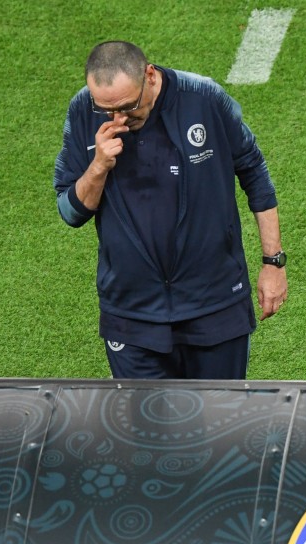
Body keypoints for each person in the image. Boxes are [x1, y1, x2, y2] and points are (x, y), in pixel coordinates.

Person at [54, 41, 287, 379]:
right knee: (144, 416)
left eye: (128, 106)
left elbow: (255, 173)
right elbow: (71, 212)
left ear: (149, 75)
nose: (119, 118)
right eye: (105, 110)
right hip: (132, 313)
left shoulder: (203, 97)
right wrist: (99, 166)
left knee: (221, 412)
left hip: (215, 304)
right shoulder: (81, 110)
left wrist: (273, 262)